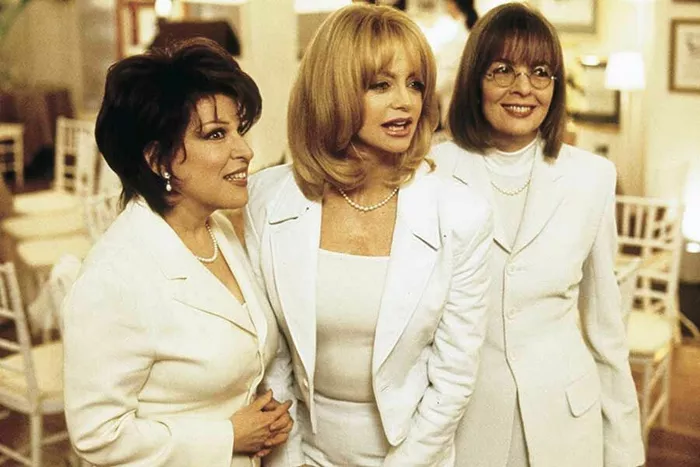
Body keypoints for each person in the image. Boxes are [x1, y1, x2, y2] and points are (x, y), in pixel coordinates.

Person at [244, 4, 492, 467]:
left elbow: (454, 377)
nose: (405, 102)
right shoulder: (266, 199)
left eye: (415, 84)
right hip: (300, 449)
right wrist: (289, 460)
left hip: (411, 454)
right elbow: (272, 359)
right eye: (381, 84)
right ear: (333, 90)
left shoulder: (461, 214)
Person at [62, 38, 293, 467]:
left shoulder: (218, 230)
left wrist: (265, 415)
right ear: (158, 160)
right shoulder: (115, 277)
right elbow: (96, 435)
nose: (245, 150)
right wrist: (228, 436)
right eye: (216, 134)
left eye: (238, 131)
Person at [432, 3, 645, 467]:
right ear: (475, 79)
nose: (523, 87)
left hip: (568, 426)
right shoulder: (432, 171)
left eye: (540, 72)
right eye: (502, 70)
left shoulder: (593, 178)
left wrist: (625, 452)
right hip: (464, 427)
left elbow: (606, 329)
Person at [435, 0, 478, 127]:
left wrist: (435, 87)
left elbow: (448, 65)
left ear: (454, 4)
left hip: (453, 86)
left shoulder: (454, 30)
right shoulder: (467, 27)